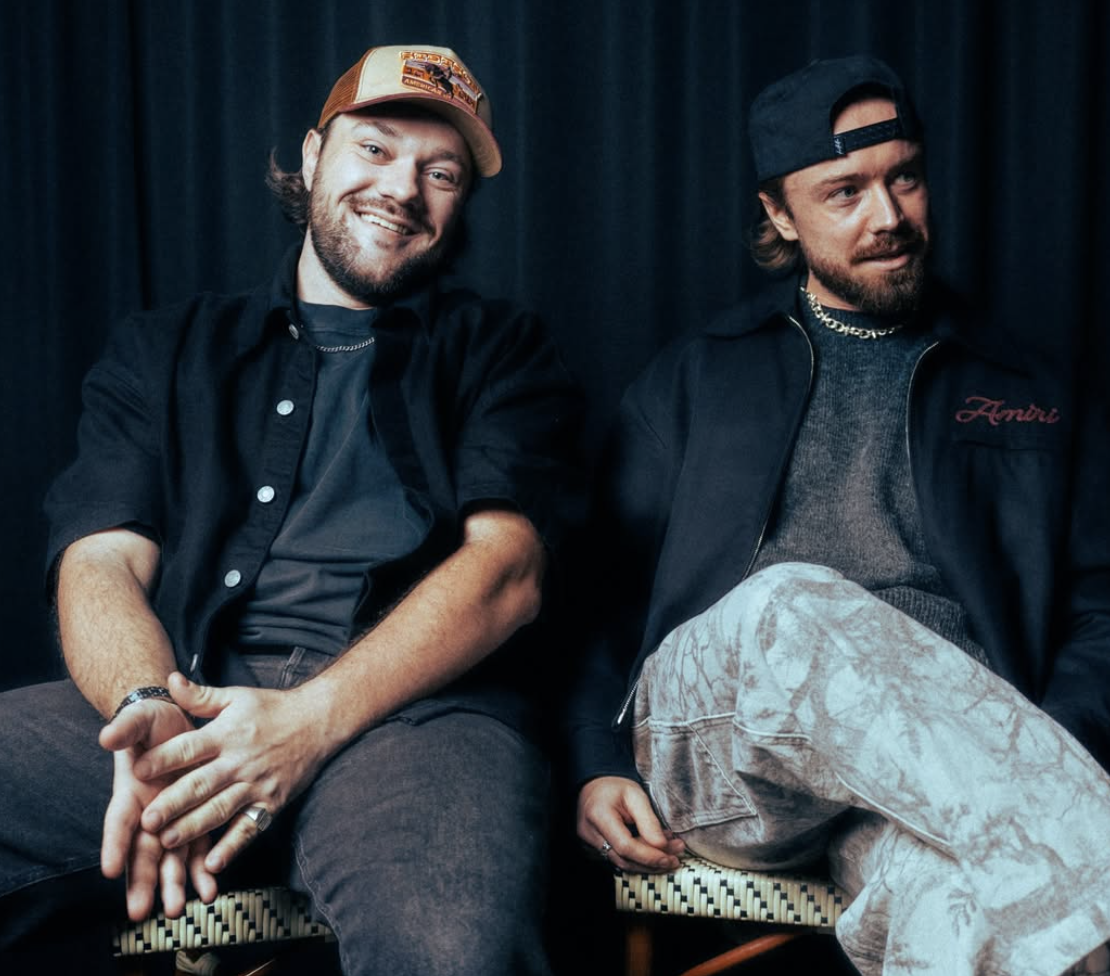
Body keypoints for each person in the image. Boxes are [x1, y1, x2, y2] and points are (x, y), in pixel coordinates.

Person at [0, 43, 583, 975]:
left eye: (441, 173)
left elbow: (506, 573)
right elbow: (98, 559)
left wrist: (304, 725)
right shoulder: (165, 347)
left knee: (451, 948)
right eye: (375, 149)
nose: (402, 189)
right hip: (185, 694)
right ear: (313, 158)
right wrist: (145, 709)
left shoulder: (503, 350)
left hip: (416, 722)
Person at [568, 56, 1110, 976]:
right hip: (727, 755)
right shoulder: (699, 375)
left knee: (969, 916)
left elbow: (1100, 610)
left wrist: (1051, 736)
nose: (888, 215)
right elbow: (593, 601)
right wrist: (594, 758)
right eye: (845, 191)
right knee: (791, 606)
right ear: (779, 214)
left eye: (905, 177)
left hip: (942, 781)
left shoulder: (1029, 386)